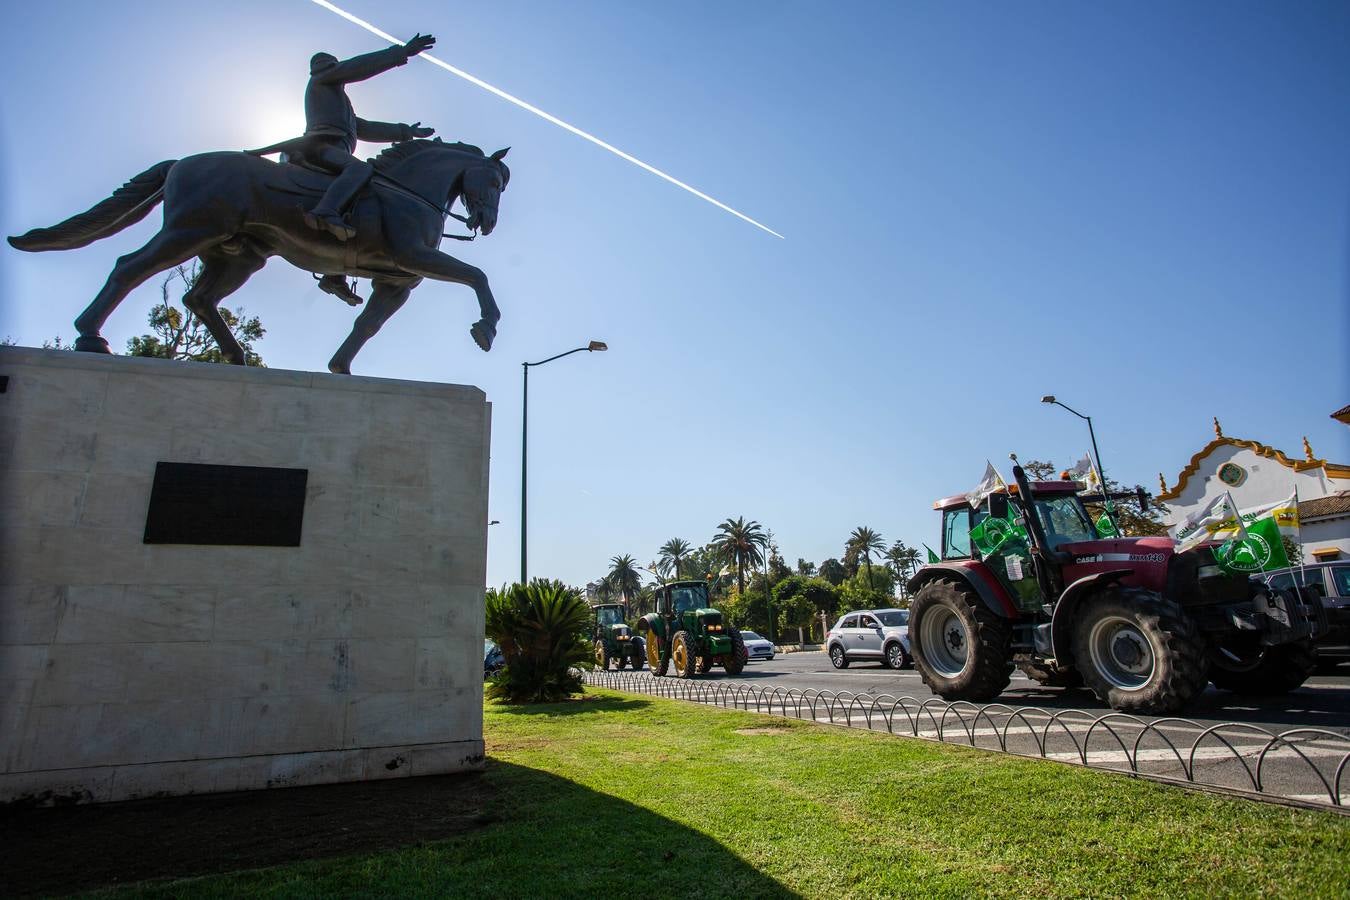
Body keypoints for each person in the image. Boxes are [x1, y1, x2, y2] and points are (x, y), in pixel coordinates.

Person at [298, 33, 437, 303]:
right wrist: (401, 53)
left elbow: (364, 128)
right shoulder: (322, 81)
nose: (332, 69)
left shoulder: (340, 103)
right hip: (319, 148)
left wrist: (406, 132)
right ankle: (325, 212)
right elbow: (356, 68)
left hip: (334, 150)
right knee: (360, 171)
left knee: (361, 197)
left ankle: (333, 274)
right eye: (330, 66)